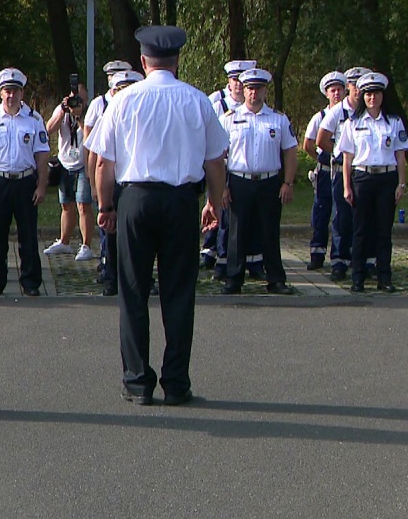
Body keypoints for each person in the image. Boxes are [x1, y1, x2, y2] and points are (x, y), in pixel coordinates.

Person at [86, 25, 227, 407]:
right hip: (181, 200)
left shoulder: (123, 101)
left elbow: (103, 164)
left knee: (132, 290)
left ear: (144, 62)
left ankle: (137, 382)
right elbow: (215, 163)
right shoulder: (198, 101)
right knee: (178, 292)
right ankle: (177, 382)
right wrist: (213, 202)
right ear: (177, 61)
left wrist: (106, 206)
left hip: (136, 199)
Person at [220, 68, 298, 295]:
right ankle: (234, 279)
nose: (254, 93)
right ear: (243, 90)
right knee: (237, 232)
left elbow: (290, 152)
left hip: (269, 182)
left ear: (265, 91)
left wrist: (288, 183)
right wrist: (222, 186)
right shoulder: (230, 120)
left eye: (258, 89)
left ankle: (275, 279)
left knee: (270, 232)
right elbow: (219, 156)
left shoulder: (278, 119)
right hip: (239, 181)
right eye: (249, 88)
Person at [0, 67, 49, 297]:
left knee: (28, 235)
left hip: (26, 182)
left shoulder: (34, 119)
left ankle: (31, 282)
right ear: (0, 93)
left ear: (22, 93)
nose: (11, 96)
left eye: (15, 91)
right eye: (7, 91)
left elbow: (42, 155)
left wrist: (42, 186)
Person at [338, 72, 408, 293]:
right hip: (362, 179)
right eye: (368, 94)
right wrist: (347, 186)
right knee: (360, 231)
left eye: (376, 94)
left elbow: (400, 157)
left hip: (387, 179)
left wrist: (401, 184)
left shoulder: (394, 122)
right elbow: (347, 159)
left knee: (383, 231)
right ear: (363, 97)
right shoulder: (353, 123)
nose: (372, 98)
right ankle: (357, 277)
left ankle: (384, 277)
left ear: (382, 96)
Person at [87, 68, 143, 296]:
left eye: (130, 89)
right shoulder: (109, 116)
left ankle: (142, 278)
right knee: (111, 233)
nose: (125, 94)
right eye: (121, 90)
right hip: (114, 182)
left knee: (140, 236)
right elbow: (95, 155)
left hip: (137, 182)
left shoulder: (144, 117)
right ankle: (112, 277)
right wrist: (94, 187)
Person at [207, 59, 261, 281]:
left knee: (251, 219)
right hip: (224, 165)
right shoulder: (218, 102)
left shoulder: (255, 105)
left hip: (247, 166)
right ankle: (220, 259)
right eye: (234, 80)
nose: (238, 84)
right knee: (224, 217)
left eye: (242, 80)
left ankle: (254, 261)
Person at [316, 66, 371, 281]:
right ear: (348, 86)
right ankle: (339, 260)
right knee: (341, 216)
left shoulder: (369, 110)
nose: (357, 89)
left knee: (364, 217)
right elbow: (321, 140)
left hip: (363, 171)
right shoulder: (338, 111)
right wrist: (341, 152)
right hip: (341, 170)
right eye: (353, 85)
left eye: (360, 85)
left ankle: (363, 259)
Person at [43, 84, 96, 261]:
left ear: (85, 100)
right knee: (66, 204)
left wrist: (79, 114)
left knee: (83, 204)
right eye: (72, 98)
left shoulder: (90, 112)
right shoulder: (62, 110)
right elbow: (48, 129)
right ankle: (64, 242)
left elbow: (91, 136)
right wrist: (63, 111)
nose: (74, 102)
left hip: (83, 163)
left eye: (79, 99)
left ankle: (86, 245)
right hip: (65, 163)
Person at [303, 71, 346, 269]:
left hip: (343, 170)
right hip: (325, 169)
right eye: (332, 91)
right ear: (326, 94)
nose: (336, 94)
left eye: (339, 90)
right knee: (321, 212)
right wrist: (320, 159)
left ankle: (341, 256)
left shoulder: (351, 115)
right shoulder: (319, 117)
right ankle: (317, 255)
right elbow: (308, 144)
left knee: (342, 214)